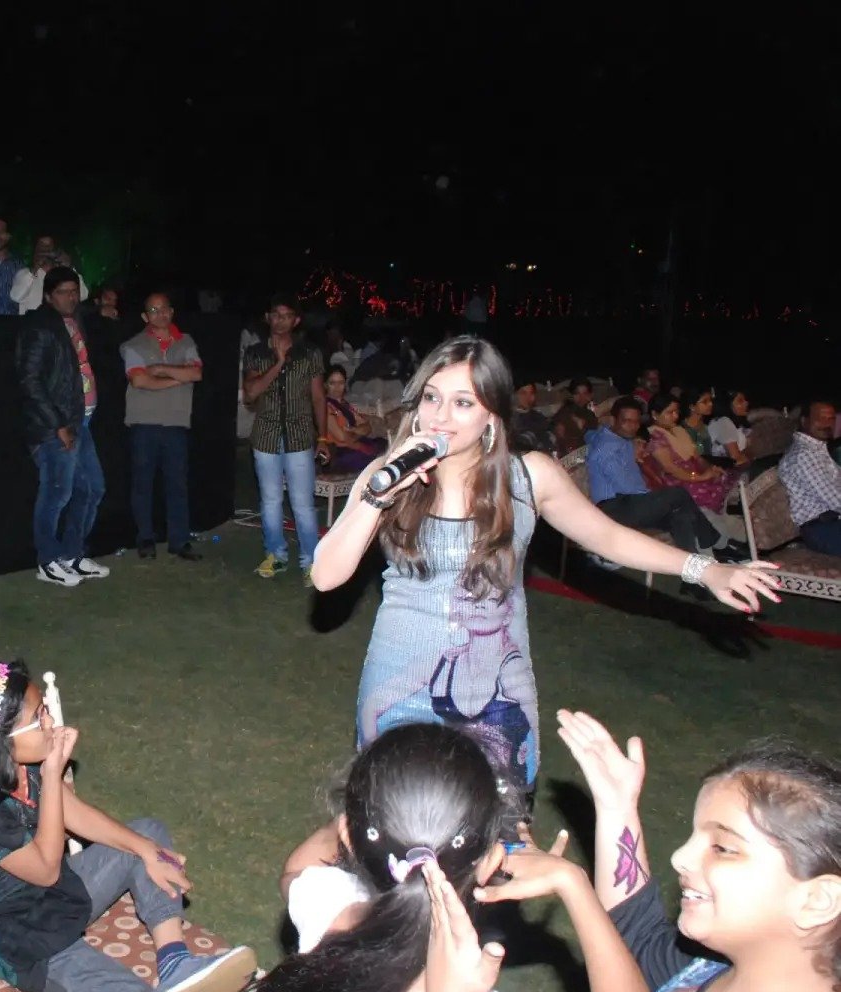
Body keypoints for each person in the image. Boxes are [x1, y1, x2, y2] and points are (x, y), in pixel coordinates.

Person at [310, 336, 780, 813]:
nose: (439, 417)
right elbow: (327, 577)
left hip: (498, 699)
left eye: (462, 403)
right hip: (400, 691)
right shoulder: (385, 477)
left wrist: (706, 569)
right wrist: (376, 495)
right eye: (431, 398)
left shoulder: (528, 477)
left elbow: (608, 538)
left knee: (498, 852)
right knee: (397, 848)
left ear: (492, 415)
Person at [0, 660, 258, 992]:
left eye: (44, 709)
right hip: (12, 935)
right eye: (37, 719)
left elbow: (76, 816)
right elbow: (46, 869)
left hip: (54, 891)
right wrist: (52, 773)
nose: (50, 722)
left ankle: (175, 962)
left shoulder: (22, 765)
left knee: (146, 834)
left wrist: (146, 850)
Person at [256, 722, 645, 992]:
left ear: (348, 835)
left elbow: (300, 868)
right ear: (490, 861)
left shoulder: (332, 914)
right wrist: (573, 882)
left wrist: (369, 817)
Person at [553, 709, 841, 992]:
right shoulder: (707, 972)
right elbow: (634, 950)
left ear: (817, 900)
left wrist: (574, 887)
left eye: (723, 848)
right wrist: (617, 808)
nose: (680, 857)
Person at [17, 266, 109, 588]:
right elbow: (29, 380)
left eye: (74, 291)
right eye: (62, 292)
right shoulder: (39, 327)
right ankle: (47, 561)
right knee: (57, 493)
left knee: (92, 488)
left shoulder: (76, 320)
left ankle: (72, 554)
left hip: (80, 420)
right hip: (55, 425)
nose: (70, 298)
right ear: (47, 296)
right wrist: (57, 424)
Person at [243, 293, 326, 582]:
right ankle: (276, 555)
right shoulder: (255, 352)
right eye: (275, 314)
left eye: (287, 315)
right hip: (266, 435)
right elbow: (251, 394)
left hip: (300, 435)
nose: (280, 320)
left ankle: (311, 561)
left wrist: (324, 437)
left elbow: (318, 397)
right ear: (268, 318)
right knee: (270, 501)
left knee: (302, 502)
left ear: (296, 320)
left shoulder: (309, 353)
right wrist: (277, 364)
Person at [587, 398, 730, 557]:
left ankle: (692, 569)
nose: (632, 426)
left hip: (632, 502)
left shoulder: (620, 437)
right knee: (678, 494)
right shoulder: (606, 448)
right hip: (614, 508)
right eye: (626, 421)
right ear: (614, 420)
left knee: (682, 516)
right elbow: (627, 487)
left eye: (636, 422)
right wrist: (655, 499)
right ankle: (715, 541)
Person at [120, 291, 203, 561]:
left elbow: (197, 373)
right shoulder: (133, 345)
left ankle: (179, 540)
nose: (160, 314)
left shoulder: (186, 341)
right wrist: (178, 378)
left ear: (172, 311)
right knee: (143, 485)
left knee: (177, 484)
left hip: (176, 423)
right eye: (154, 311)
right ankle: (145, 538)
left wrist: (159, 369)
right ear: (145, 316)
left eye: (164, 308)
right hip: (144, 423)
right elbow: (139, 381)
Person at [644, 393, 739, 512]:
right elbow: (670, 469)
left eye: (676, 412)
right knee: (708, 491)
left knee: (727, 478)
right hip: (677, 482)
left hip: (693, 474)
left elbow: (697, 458)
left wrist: (710, 469)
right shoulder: (655, 437)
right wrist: (700, 477)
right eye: (670, 412)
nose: (675, 416)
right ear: (654, 414)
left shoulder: (678, 431)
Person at [778, 399, 841, 555]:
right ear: (805, 421)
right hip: (822, 529)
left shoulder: (818, 448)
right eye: (821, 418)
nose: (828, 424)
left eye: (831, 418)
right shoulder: (804, 455)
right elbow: (836, 500)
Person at [318, 365, 386, 474]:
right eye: (332, 383)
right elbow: (342, 437)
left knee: (384, 444)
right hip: (340, 451)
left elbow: (367, 427)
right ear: (326, 385)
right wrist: (358, 432)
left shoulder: (345, 405)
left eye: (341, 383)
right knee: (375, 456)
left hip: (354, 445)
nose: (337, 387)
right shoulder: (325, 407)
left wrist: (353, 430)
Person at [10, 235, 87, 315]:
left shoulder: (64, 274)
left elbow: (83, 295)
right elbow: (16, 297)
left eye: (49, 246)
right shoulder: (24, 273)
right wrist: (34, 270)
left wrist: (69, 267)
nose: (46, 250)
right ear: (35, 250)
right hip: (33, 325)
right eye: (41, 245)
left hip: (59, 325)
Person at [551, 378, 599, 456]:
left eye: (585, 393)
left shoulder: (590, 412)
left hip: (587, 453)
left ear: (590, 395)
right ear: (572, 395)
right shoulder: (567, 410)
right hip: (571, 457)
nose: (581, 397)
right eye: (577, 393)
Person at [706, 389, 753, 466]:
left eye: (745, 400)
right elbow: (736, 458)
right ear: (728, 405)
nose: (746, 403)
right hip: (725, 472)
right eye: (740, 401)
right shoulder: (723, 422)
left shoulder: (739, 424)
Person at [510, 379, 557, 455]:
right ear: (515, 394)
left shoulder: (538, 416)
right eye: (523, 393)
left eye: (531, 393)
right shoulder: (509, 419)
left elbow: (549, 436)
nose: (528, 397)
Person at [679, 387, 716, 457]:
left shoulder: (705, 426)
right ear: (692, 406)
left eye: (710, 400)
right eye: (705, 402)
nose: (710, 404)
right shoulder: (682, 429)